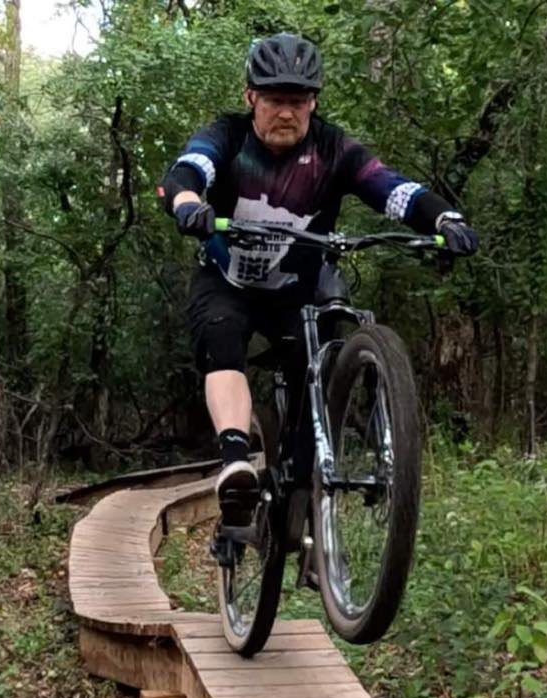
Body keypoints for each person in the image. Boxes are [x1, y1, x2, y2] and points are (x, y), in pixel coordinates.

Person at [160, 32, 478, 518]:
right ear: (251, 98)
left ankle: (308, 505)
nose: (286, 112)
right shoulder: (228, 136)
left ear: (313, 103)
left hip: (298, 293)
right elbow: (187, 171)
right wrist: (188, 206)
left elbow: (391, 189)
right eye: (274, 100)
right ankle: (235, 465)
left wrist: (443, 219)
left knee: (320, 368)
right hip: (228, 282)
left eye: (298, 101)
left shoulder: (334, 150)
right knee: (222, 335)